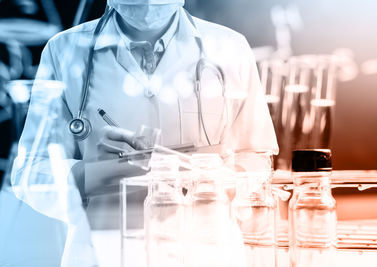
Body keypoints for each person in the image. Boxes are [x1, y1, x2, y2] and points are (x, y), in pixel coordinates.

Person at [6, 0, 279, 265]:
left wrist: (209, 179)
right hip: (103, 254)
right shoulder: (64, 51)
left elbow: (256, 158)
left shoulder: (230, 48)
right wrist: (94, 173)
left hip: (205, 252)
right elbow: (30, 174)